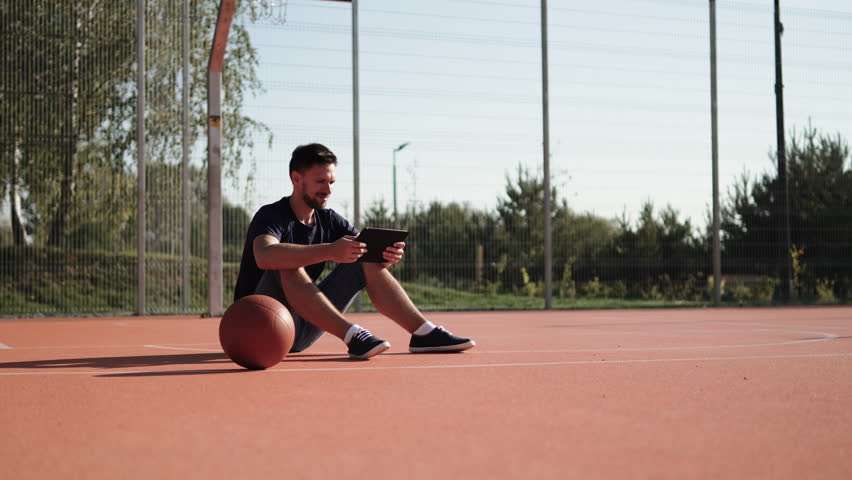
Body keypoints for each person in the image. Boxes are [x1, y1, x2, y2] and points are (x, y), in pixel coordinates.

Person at [234, 143, 476, 359]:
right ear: (296, 179)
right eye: (320, 182)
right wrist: (330, 250)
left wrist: (385, 255)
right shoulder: (272, 214)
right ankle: (353, 335)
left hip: (299, 330)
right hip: (256, 327)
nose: (328, 190)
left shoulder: (328, 220)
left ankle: (424, 333)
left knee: (364, 255)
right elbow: (264, 255)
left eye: (331, 182)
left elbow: (365, 249)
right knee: (285, 262)